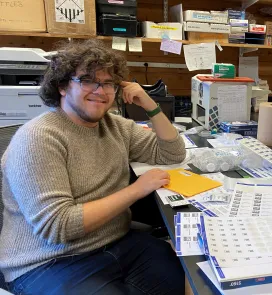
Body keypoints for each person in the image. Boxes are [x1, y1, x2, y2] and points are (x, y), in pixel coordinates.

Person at [0, 39, 187, 294]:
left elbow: (172, 152)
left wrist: (150, 105)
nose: (100, 91)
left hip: (113, 243)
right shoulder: (39, 138)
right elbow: (59, 226)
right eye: (88, 80)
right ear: (63, 86)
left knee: (181, 274)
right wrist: (137, 189)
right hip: (47, 261)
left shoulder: (115, 126)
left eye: (108, 83)